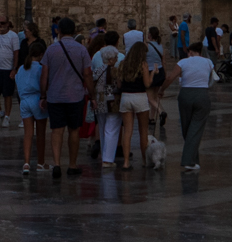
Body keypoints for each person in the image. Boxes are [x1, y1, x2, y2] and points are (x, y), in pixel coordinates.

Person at [39, 17, 92, 177]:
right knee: (74, 130)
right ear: (74, 31)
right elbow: (87, 74)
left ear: (59, 31)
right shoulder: (82, 50)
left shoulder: (51, 50)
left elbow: (44, 75)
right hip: (75, 96)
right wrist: (93, 94)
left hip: (55, 96)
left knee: (56, 130)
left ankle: (56, 164)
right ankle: (72, 164)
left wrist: (43, 95)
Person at [167, 39, 214, 171]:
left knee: (187, 128)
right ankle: (192, 160)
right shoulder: (208, 62)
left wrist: (161, 91)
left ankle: (189, 160)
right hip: (202, 95)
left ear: (192, 52)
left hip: (185, 95)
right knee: (196, 128)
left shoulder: (183, 62)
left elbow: (170, 77)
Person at [115, 36, 154, 170]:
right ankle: (144, 160)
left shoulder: (123, 64)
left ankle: (126, 162)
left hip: (126, 97)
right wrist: (153, 73)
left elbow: (119, 84)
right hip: (140, 97)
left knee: (127, 131)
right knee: (143, 131)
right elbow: (147, 84)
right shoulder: (143, 64)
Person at [14, 38, 47, 175]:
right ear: (41, 55)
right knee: (40, 134)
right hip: (37, 100)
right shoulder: (40, 68)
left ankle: (26, 163)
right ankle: (40, 163)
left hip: (24, 101)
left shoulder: (21, 68)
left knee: (28, 134)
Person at [91, 32, 124, 166]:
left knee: (103, 127)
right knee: (112, 128)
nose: (117, 58)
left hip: (100, 101)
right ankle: (108, 159)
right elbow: (113, 87)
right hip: (111, 102)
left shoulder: (98, 70)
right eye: (115, 57)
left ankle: (105, 154)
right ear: (111, 58)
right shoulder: (114, 71)